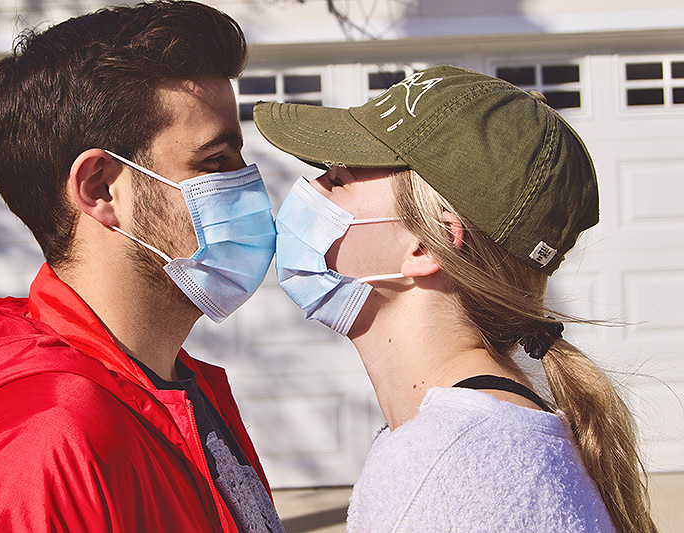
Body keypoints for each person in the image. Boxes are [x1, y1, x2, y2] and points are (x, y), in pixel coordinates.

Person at [0, 2, 284, 531]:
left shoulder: (178, 391)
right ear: (99, 188)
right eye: (214, 162)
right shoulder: (42, 442)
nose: (250, 184)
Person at [254, 65, 657, 532]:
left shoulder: (458, 463)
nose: (308, 190)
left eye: (338, 177)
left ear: (427, 244)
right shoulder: (470, 443)